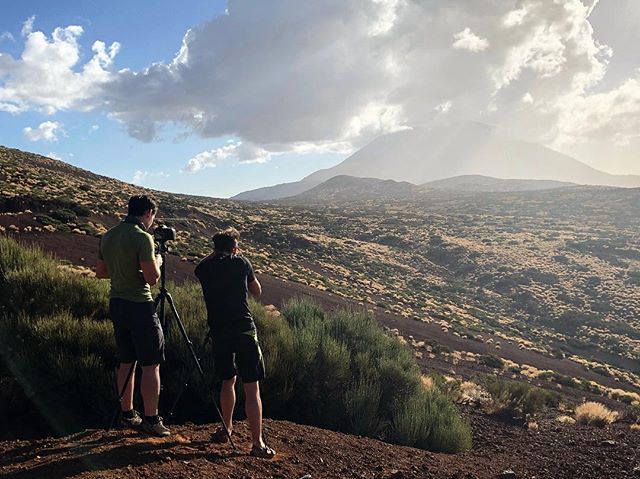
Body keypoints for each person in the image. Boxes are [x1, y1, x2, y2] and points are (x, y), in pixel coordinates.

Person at [194, 227, 276, 459]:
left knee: (227, 380)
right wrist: (237, 255)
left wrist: (215, 253)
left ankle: (226, 427)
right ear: (235, 247)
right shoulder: (242, 263)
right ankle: (257, 443)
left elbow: (199, 266)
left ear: (214, 248)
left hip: (219, 332)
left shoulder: (205, 267)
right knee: (252, 386)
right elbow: (257, 291)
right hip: (244, 330)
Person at [96, 194, 170, 437]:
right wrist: (157, 260)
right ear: (148, 212)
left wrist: (126, 271)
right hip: (139, 305)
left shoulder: (109, 235)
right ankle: (151, 419)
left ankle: (127, 413)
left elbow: (101, 272)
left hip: (116, 302)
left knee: (126, 360)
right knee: (151, 364)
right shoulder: (143, 238)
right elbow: (153, 278)